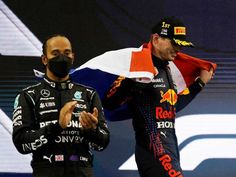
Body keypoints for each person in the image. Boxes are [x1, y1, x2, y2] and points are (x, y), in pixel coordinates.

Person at [102, 16, 214, 177]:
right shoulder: (139, 67)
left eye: (180, 45)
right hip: (153, 154)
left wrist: (199, 84)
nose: (178, 49)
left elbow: (173, 105)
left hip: (170, 152)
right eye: (174, 43)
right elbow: (109, 102)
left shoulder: (167, 69)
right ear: (156, 39)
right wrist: (131, 81)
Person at [12, 34, 110, 177]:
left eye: (67, 53)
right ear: (44, 59)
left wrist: (92, 131)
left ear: (73, 57)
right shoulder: (29, 95)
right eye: (55, 53)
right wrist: (57, 126)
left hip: (82, 170)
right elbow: (21, 143)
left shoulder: (89, 94)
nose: (62, 58)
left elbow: (103, 143)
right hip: (46, 171)